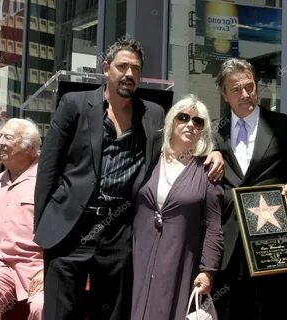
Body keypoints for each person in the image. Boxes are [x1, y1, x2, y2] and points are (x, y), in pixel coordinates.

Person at [34, 38, 223, 320]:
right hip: (71, 228)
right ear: (106, 68)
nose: (129, 74)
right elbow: (48, 168)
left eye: (135, 68)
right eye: (122, 66)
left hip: (118, 232)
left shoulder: (152, 113)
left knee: (112, 312)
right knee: (61, 312)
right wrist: (44, 225)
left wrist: (217, 148)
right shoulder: (74, 104)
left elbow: (189, 124)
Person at [212, 58, 287, 320]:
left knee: (277, 312)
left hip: (273, 241)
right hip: (229, 245)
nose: (246, 94)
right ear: (224, 94)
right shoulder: (212, 132)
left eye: (250, 86)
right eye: (236, 89)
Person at [130, 94, 224, 320]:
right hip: (138, 258)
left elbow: (214, 226)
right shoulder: (150, 156)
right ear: (172, 121)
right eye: (183, 117)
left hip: (180, 262)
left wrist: (207, 271)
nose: (190, 124)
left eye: (198, 121)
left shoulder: (208, 170)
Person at [0, 118, 43, 320]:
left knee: (42, 306)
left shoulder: (49, 181)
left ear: (29, 147)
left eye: (7, 137)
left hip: (38, 266)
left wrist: (50, 269)